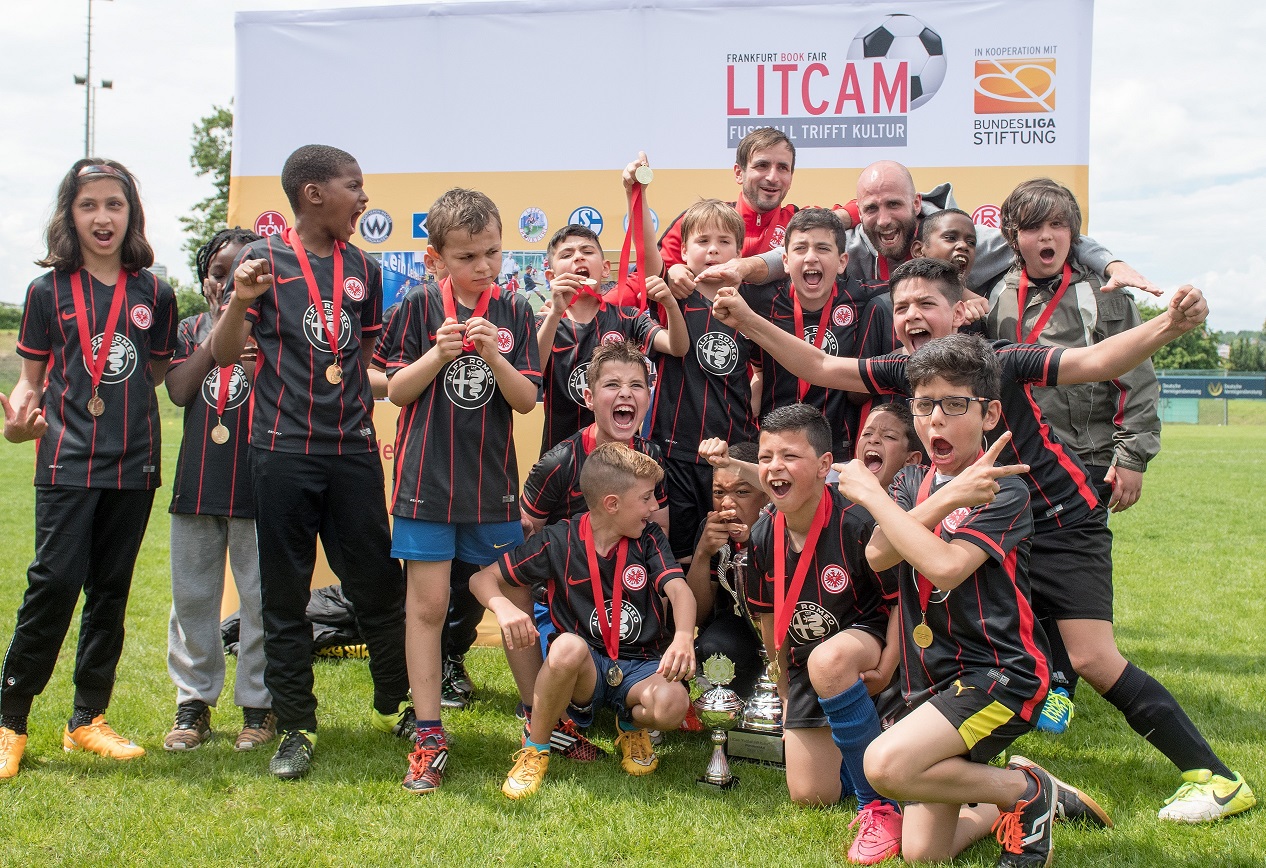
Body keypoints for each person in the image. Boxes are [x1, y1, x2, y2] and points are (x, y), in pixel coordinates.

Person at [714, 257, 1256, 823]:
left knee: (1093, 657)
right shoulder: (909, 374)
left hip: (1058, 522)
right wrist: (749, 319)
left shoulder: (998, 359)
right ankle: (992, 773)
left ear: (961, 310)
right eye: (901, 307)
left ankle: (1215, 776)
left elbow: (1094, 360)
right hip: (970, 526)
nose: (912, 316)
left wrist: (1168, 325)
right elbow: (823, 364)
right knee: (965, 651)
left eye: (927, 304)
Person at [837, 333, 1110, 865]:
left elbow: (945, 567)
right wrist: (943, 497)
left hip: (998, 675)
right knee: (922, 855)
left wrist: (874, 494)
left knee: (884, 766)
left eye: (954, 404)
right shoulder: (913, 479)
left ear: (988, 415)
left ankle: (1024, 796)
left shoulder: (1003, 488)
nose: (935, 418)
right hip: (929, 678)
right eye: (923, 404)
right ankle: (1023, 786)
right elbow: (877, 554)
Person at [211, 144, 413, 780]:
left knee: (377, 581)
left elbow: (368, 361)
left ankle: (400, 699)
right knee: (285, 592)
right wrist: (240, 301)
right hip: (282, 454)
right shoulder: (260, 261)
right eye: (354, 186)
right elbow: (221, 352)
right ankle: (295, 724)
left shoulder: (363, 268)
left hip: (353, 450)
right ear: (313, 193)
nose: (364, 198)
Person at [0, 159, 178, 778]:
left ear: (131, 213)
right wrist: (19, 422)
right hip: (66, 460)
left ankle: (86, 720)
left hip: (135, 465)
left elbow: (156, 372)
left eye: (114, 205)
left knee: (110, 593)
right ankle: (10, 721)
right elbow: (29, 383)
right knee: (52, 585)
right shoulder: (47, 292)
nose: (103, 218)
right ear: (68, 214)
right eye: (88, 205)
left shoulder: (154, 292)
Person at [374, 187, 541, 795]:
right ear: (437, 257)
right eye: (468, 256)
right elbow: (395, 392)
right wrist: (435, 357)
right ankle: (427, 733)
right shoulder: (416, 307)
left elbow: (526, 400)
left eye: (492, 253)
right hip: (423, 483)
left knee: (515, 603)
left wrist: (496, 359)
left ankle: (539, 726)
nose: (484, 267)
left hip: (491, 486)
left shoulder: (517, 310)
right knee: (427, 610)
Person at [984, 178, 1163, 733]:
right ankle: (1040, 678)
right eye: (1033, 226)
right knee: (1019, 575)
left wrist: (1132, 455)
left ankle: (1063, 682)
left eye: (1057, 225)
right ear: (1013, 236)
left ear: (1072, 233)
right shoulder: (992, 293)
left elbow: (1136, 380)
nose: (1046, 236)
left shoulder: (1104, 297)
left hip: (1083, 463)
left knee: (1070, 581)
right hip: (1015, 463)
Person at [470, 443, 696, 799]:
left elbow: (679, 590)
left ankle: (631, 725)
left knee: (673, 704)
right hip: (585, 670)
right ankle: (535, 748)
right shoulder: (558, 540)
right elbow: (480, 579)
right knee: (567, 648)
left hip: (639, 667)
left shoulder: (649, 537)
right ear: (612, 504)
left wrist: (683, 636)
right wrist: (503, 607)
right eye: (647, 498)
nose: (655, 507)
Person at [745, 405, 901, 865]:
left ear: (824, 466)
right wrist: (782, 687)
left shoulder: (856, 522)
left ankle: (878, 806)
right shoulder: (760, 536)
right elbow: (768, 618)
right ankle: (865, 747)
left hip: (866, 640)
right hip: (804, 664)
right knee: (810, 795)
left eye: (789, 456)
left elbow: (897, 602)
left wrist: (889, 662)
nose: (775, 467)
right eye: (766, 456)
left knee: (829, 661)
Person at [162, 228, 275, 753]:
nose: (228, 281)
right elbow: (182, 389)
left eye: (239, 271)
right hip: (198, 485)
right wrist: (217, 339)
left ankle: (259, 703)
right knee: (193, 598)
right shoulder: (189, 330)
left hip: (259, 487)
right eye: (218, 272)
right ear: (206, 279)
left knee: (259, 601)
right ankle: (193, 701)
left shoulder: (274, 330)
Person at [535, 155, 686, 452]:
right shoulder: (543, 322)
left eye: (586, 251)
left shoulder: (627, 317)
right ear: (551, 275)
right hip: (561, 457)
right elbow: (531, 377)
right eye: (567, 255)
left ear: (605, 268)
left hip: (621, 458)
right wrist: (555, 312)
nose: (578, 257)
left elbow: (678, 347)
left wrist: (670, 304)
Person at [647, 198, 759, 564]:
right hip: (676, 453)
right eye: (702, 241)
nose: (713, 248)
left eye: (725, 241)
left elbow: (760, 372)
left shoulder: (749, 306)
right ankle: (678, 622)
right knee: (678, 554)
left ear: (739, 251)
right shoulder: (672, 298)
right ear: (683, 250)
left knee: (732, 552)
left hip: (732, 456)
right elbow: (649, 262)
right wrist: (638, 195)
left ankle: (728, 620)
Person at [744, 208, 882, 460]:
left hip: (836, 452)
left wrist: (968, 298)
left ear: (842, 262)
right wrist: (676, 272)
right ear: (785, 261)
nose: (811, 257)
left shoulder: (859, 296)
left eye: (822, 248)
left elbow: (917, 284)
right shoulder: (761, 299)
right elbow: (706, 284)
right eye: (800, 248)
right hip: (774, 448)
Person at [656, 127, 799, 295]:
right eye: (762, 165)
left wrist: (839, 214)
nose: (772, 177)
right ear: (739, 173)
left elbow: (835, 224)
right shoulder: (699, 220)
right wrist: (670, 273)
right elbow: (645, 280)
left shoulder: (799, 224)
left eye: (783, 168)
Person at [685, 440, 767, 699]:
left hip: (784, 630)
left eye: (742, 492)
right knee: (714, 646)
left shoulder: (782, 528)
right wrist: (702, 553)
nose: (727, 503)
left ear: (767, 494)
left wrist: (756, 542)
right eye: (719, 492)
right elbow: (696, 615)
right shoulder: (712, 531)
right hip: (739, 632)